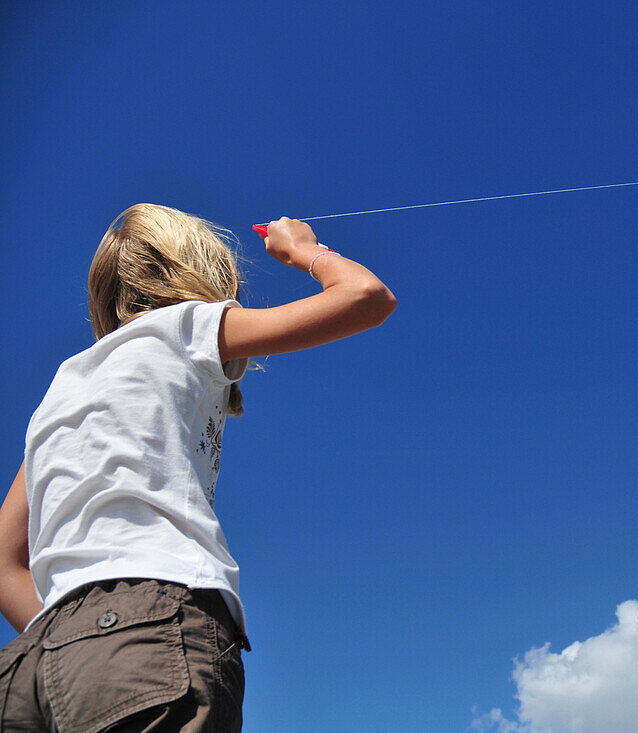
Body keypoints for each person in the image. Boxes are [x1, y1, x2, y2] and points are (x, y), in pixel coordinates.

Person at [0, 205, 396, 731]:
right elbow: (366, 298)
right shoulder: (183, 326)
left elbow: (5, 560)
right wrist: (303, 249)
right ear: (202, 269)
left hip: (29, 668)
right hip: (148, 625)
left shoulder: (62, 389)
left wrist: (73, 634)